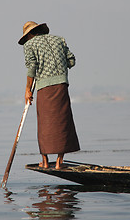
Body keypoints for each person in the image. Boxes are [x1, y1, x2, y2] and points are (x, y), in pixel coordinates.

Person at [18, 21, 80, 169]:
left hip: (45, 87)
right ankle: (59, 162)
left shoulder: (29, 45)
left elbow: (32, 67)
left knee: (44, 123)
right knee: (63, 121)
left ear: (29, 35)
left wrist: (28, 90)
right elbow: (71, 61)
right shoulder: (59, 39)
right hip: (61, 85)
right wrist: (59, 66)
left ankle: (45, 162)